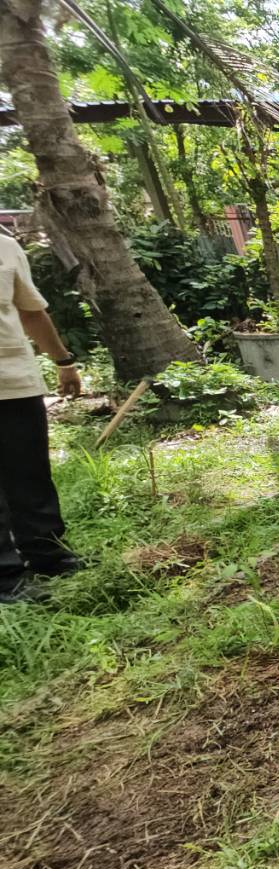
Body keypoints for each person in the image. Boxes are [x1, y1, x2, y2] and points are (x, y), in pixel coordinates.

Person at [0, 232, 83, 603]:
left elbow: (31, 312)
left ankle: (49, 556)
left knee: (31, 474)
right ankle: (6, 578)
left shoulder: (5, 247)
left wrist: (64, 361)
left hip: (13, 380)